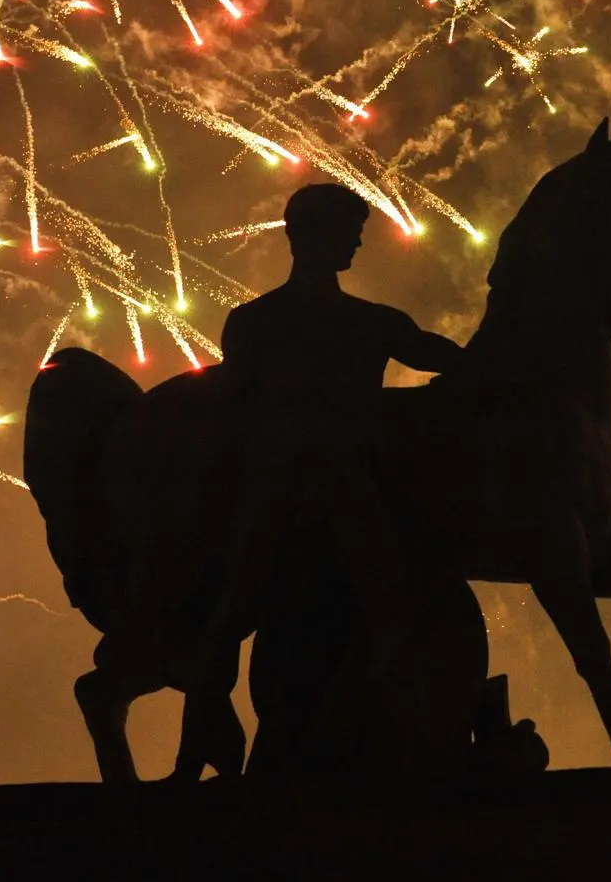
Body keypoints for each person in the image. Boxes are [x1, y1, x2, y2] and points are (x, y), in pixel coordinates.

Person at [184, 184, 466, 713]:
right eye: (348, 233)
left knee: (226, 622)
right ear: (311, 236)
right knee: (389, 605)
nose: (357, 244)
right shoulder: (364, 323)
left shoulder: (259, 320)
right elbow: (228, 418)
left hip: (291, 497)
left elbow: (225, 418)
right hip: (318, 499)